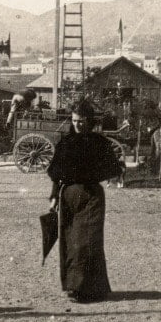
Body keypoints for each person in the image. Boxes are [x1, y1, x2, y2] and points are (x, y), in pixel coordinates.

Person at [45, 100, 122, 303]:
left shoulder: (100, 143)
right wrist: (53, 197)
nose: (78, 125)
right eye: (75, 120)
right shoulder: (65, 143)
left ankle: (87, 289)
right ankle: (73, 286)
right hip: (68, 197)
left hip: (91, 198)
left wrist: (93, 175)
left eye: (82, 121)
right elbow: (56, 175)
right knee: (70, 242)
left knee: (86, 241)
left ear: (90, 121)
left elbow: (113, 170)